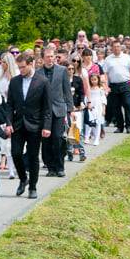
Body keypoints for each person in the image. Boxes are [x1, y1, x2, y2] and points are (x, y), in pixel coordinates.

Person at [4, 54, 52, 200]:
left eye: (23, 67)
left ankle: (32, 187)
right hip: (18, 124)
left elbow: (47, 107)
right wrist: (9, 123)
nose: (21, 70)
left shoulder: (42, 81)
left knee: (33, 157)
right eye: (19, 67)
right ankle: (23, 178)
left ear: (31, 64)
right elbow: (10, 104)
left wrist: (47, 126)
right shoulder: (14, 81)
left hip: (35, 125)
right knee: (16, 153)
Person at [39, 47, 72, 177]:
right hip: (43, 111)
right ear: (42, 58)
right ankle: (50, 167)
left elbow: (67, 90)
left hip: (59, 108)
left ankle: (59, 166)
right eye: (47, 56)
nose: (50, 59)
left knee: (58, 138)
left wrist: (70, 109)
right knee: (46, 140)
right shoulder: (38, 73)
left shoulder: (62, 70)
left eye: (52, 56)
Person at [103, 40, 130, 134]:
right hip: (113, 85)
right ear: (112, 48)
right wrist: (106, 86)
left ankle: (128, 125)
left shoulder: (126, 57)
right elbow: (105, 73)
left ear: (120, 47)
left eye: (118, 46)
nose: (116, 48)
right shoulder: (108, 59)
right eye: (114, 46)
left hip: (125, 84)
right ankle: (120, 127)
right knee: (116, 107)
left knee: (127, 104)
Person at [84, 73, 106, 146]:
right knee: (89, 123)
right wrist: (87, 104)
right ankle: (87, 137)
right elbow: (86, 97)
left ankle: (96, 139)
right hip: (91, 107)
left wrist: (103, 109)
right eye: (92, 80)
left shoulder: (101, 88)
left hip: (98, 107)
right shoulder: (89, 88)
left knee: (98, 123)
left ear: (98, 80)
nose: (93, 81)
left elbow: (103, 99)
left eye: (95, 79)